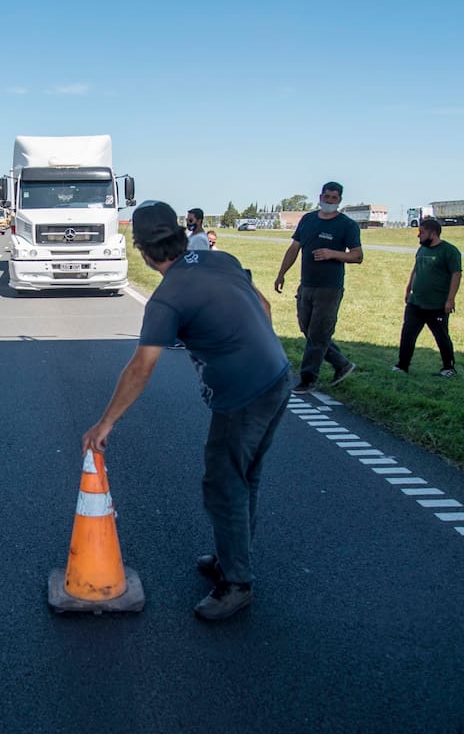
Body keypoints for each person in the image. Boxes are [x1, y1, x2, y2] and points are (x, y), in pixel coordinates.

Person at [81, 201, 292, 621]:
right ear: (181, 234)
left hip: (242, 396)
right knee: (245, 477)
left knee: (224, 484)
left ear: (141, 250)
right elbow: (264, 307)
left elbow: (141, 368)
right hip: (277, 376)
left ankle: (236, 582)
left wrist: (105, 422)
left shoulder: (167, 298)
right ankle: (233, 557)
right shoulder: (221, 259)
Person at [273, 181, 363, 394]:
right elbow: (294, 248)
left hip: (329, 288)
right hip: (307, 285)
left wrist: (333, 254)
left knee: (318, 333)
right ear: (320, 196)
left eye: (334, 198)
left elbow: (357, 255)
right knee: (307, 329)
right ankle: (341, 363)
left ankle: (307, 378)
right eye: (327, 197)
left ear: (339, 200)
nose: (330, 201)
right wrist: (281, 273)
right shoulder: (308, 220)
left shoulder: (347, 225)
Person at [394, 218, 462, 376]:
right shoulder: (421, 250)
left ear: (433, 233)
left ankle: (448, 367)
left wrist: (450, 299)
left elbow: (456, 275)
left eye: (422, 232)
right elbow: (415, 269)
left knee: (441, 336)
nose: (419, 236)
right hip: (415, 302)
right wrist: (408, 288)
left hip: (437, 305)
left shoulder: (449, 251)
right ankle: (402, 366)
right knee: (407, 334)